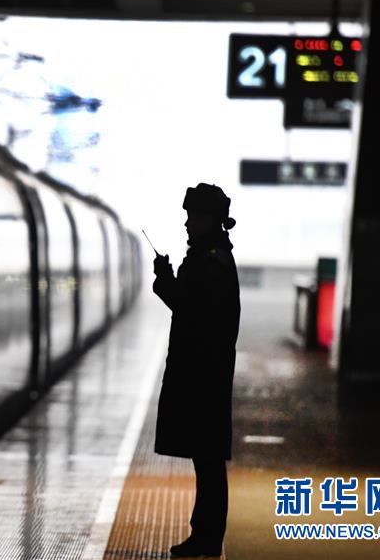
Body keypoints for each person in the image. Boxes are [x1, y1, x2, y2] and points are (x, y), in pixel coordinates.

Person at [152, 183, 240, 558]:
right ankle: (204, 534)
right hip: (206, 373)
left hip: (203, 376)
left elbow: (191, 311)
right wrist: (169, 281)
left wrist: (164, 281)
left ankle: (206, 537)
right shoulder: (211, 258)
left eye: (193, 217)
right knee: (206, 459)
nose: (187, 224)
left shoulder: (210, 263)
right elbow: (192, 306)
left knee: (208, 460)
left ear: (210, 220)